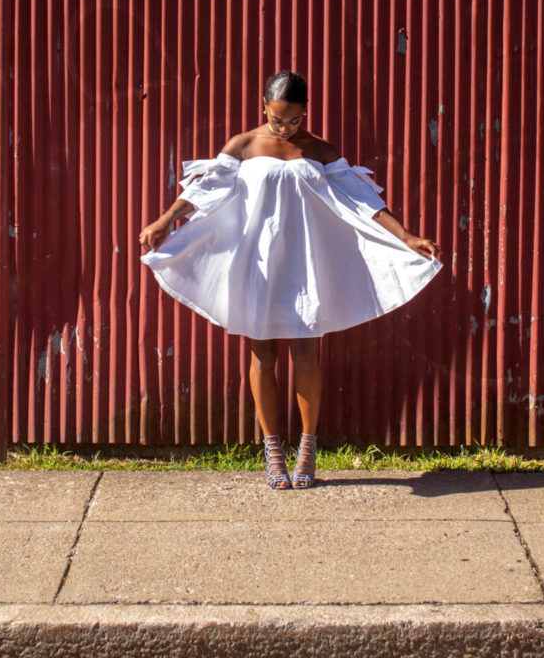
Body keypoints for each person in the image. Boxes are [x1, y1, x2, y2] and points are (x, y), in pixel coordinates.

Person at [137, 71, 442, 489]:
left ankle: (308, 448)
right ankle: (273, 449)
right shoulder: (243, 145)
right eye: (278, 119)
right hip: (259, 264)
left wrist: (407, 236)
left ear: (305, 113)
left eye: (293, 121)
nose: (284, 128)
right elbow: (205, 191)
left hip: (304, 265)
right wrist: (165, 220)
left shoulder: (319, 150)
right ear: (264, 105)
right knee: (262, 354)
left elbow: (362, 200)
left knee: (307, 354)